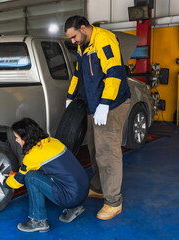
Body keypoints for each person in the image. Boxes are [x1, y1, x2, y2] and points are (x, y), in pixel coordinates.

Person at [64, 15, 131, 220]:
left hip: (111, 105)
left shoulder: (104, 39)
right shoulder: (83, 46)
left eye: (74, 36)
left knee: (108, 152)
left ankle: (114, 201)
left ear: (84, 28)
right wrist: (70, 96)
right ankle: (99, 186)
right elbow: (78, 74)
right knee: (94, 148)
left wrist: (105, 104)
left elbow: (114, 72)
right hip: (93, 106)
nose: (73, 41)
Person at [0, 118, 89, 232]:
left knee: (31, 177)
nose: (16, 140)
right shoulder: (52, 141)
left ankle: (38, 221)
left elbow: (17, 182)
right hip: (83, 190)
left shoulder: (32, 156)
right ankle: (74, 208)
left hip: (70, 197)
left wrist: (4, 181)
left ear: (25, 138)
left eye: (17, 137)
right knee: (37, 173)